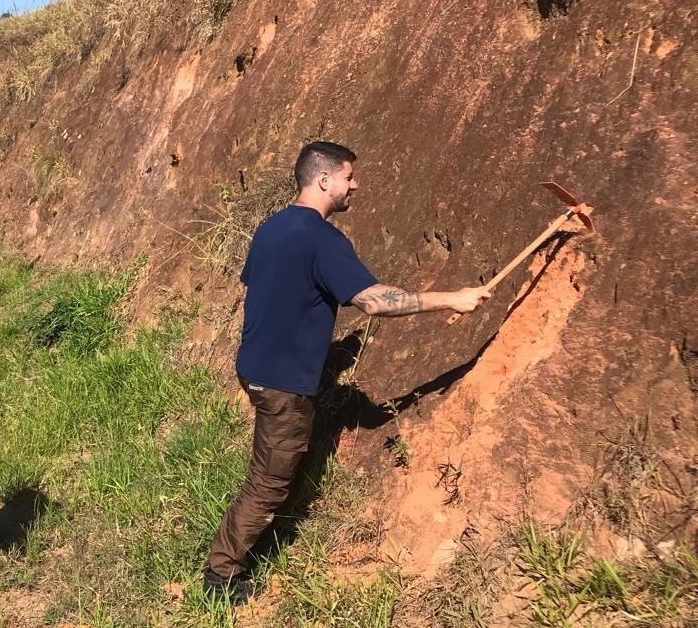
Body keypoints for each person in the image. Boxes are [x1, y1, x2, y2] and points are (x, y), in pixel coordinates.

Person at [203, 142, 490, 603]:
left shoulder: (270, 229)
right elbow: (374, 302)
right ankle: (222, 575)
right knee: (269, 481)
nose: (355, 184)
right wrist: (450, 298)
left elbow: (264, 289)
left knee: (277, 464)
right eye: (349, 176)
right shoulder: (322, 238)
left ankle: (250, 540)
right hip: (282, 384)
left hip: (254, 368)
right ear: (323, 181)